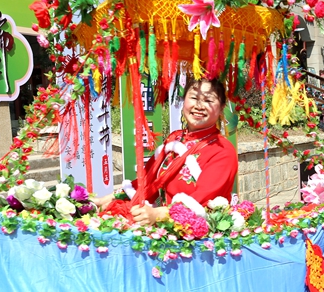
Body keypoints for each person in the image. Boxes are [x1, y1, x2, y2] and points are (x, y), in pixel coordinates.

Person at [93, 77, 237, 225]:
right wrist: (106, 200)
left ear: (221, 108)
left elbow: (204, 199)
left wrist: (159, 214)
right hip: (164, 229)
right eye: (194, 98)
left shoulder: (223, 150)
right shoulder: (174, 138)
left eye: (208, 101)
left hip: (198, 236)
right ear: (184, 101)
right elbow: (147, 183)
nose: (199, 106)